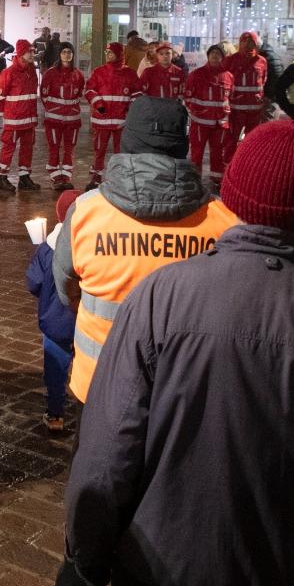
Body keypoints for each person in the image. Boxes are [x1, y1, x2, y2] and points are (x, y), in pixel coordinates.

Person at [56, 121, 294, 586]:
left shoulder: (164, 296)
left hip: (163, 568)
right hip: (293, 577)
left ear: (234, 192)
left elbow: (109, 451)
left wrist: (85, 564)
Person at [53, 97, 237, 407]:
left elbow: (65, 288)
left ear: (128, 140)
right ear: (182, 144)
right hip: (186, 390)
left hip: (100, 380)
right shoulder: (224, 221)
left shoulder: (85, 212)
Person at [26, 189, 79, 431]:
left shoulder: (48, 247)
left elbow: (34, 282)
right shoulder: (91, 245)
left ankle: (56, 414)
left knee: (55, 369)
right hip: (85, 321)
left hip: (56, 320)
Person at [83, 41, 140, 189]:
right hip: (102, 120)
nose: (108, 55)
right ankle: (96, 177)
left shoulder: (130, 74)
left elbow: (136, 95)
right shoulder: (99, 72)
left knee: (120, 151)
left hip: (122, 121)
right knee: (99, 150)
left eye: (111, 52)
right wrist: (98, 104)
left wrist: (131, 112)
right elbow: (89, 90)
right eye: (106, 52)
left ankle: (119, 178)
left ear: (119, 54)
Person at [0, 39, 42, 192]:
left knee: (27, 149)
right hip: (13, 122)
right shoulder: (9, 73)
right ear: (21, 53)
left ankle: (24, 177)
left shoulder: (31, 71)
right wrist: (5, 115)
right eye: (30, 51)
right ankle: (2, 178)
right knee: (8, 148)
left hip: (29, 121)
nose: (33, 54)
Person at [184, 43, 233, 188]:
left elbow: (231, 97)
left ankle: (217, 179)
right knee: (197, 152)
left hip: (220, 123)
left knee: (217, 152)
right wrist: (195, 112)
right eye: (212, 53)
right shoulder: (197, 74)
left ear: (222, 57)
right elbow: (188, 96)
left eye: (218, 54)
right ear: (208, 55)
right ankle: (194, 178)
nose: (215, 56)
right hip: (200, 122)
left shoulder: (228, 76)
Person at [41, 43, 85, 191]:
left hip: (72, 120)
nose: (67, 55)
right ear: (59, 55)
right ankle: (55, 177)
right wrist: (54, 109)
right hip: (54, 119)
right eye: (64, 52)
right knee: (54, 148)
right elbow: (44, 95)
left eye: (69, 52)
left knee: (69, 148)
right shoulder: (50, 74)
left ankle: (66, 177)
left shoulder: (78, 74)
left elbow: (79, 93)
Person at [223, 30, 268, 160]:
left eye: (251, 42)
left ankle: (248, 162)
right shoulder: (231, 60)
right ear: (240, 43)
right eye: (244, 41)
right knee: (232, 137)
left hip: (255, 108)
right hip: (237, 108)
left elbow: (263, 80)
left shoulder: (262, 61)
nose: (247, 45)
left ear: (255, 44)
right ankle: (229, 162)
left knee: (252, 138)